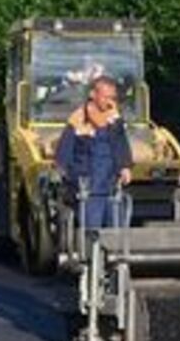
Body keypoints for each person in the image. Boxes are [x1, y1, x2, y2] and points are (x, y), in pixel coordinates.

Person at [55, 75, 133, 229]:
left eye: (113, 97)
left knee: (116, 229)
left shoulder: (114, 119)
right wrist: (65, 174)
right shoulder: (78, 119)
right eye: (105, 97)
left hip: (111, 185)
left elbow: (121, 144)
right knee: (92, 230)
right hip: (88, 187)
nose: (109, 102)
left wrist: (125, 167)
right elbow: (64, 151)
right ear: (93, 94)